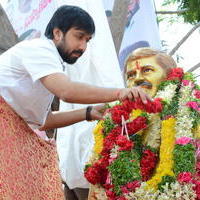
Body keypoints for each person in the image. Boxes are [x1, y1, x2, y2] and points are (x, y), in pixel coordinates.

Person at [0, 5, 150, 200]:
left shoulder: (51, 64)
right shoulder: (39, 49)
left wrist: (87, 113)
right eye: (79, 37)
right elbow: (67, 91)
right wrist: (120, 92)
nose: (83, 47)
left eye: (87, 40)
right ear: (57, 33)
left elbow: (44, 121)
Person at [88, 47, 178, 199]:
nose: (137, 79)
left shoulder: (189, 112)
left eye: (147, 70)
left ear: (170, 76)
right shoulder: (115, 120)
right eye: (131, 75)